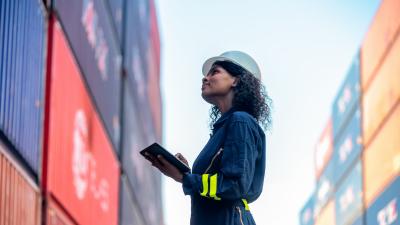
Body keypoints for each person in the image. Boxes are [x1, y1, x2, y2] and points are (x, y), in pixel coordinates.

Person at [145, 50, 272, 225]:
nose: (205, 78)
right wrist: (187, 173)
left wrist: (185, 178)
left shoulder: (240, 122)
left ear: (236, 80)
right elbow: (217, 184)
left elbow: (234, 183)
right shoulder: (227, 127)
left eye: (215, 72)